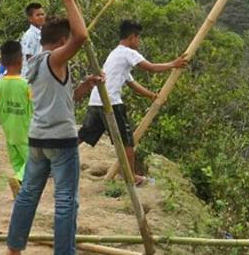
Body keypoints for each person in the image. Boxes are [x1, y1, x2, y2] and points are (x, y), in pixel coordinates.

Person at [6, 0, 101, 255]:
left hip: (38, 140)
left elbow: (62, 99)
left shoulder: (35, 62)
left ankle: (14, 247)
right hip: (60, 142)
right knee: (65, 202)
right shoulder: (53, 59)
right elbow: (81, 37)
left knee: (28, 196)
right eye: (65, 42)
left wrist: (85, 85)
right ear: (60, 42)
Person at [78, 20, 186, 184]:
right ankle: (132, 177)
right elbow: (150, 67)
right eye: (138, 38)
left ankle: (53, 162)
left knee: (83, 135)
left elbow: (131, 83)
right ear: (132, 37)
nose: (139, 41)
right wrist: (173, 64)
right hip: (110, 103)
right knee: (127, 141)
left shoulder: (115, 54)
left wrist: (150, 95)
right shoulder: (128, 53)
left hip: (96, 100)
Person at [0, 40, 32, 198]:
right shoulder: (26, 85)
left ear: (2, 62)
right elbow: (36, 108)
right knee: (33, 161)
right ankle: (19, 179)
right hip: (26, 131)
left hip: (9, 132)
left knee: (17, 161)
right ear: (21, 61)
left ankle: (20, 189)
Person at [20, 2, 46, 78]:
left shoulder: (42, 32)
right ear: (30, 19)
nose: (41, 17)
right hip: (30, 77)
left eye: (42, 14)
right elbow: (30, 58)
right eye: (38, 15)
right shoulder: (30, 35)